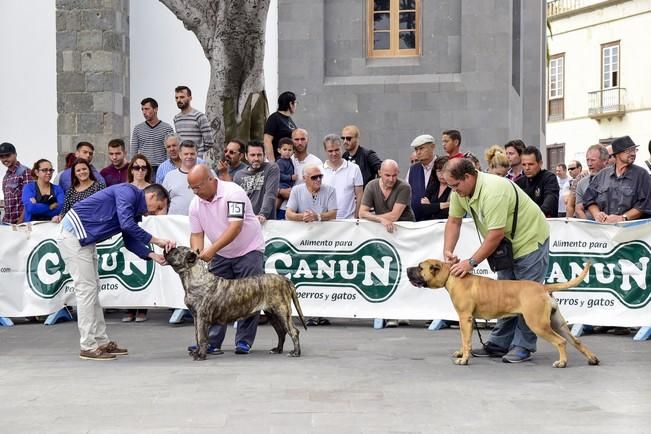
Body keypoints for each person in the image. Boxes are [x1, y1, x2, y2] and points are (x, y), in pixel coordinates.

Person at [443, 158, 550, 363]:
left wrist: (471, 262)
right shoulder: (460, 191)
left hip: (529, 240)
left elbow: (495, 235)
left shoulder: (493, 191)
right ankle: (499, 343)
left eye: (455, 185)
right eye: (450, 186)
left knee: (526, 297)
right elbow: (454, 221)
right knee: (503, 296)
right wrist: (448, 250)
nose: (454, 191)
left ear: (468, 176)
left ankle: (523, 346)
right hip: (506, 246)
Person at [55, 183, 174, 360]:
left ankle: (101, 342)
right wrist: (157, 241)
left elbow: (129, 240)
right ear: (150, 196)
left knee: (92, 289)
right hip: (74, 235)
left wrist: (152, 255)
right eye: (157, 208)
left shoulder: (133, 207)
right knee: (86, 290)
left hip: (83, 239)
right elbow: (126, 225)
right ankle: (87, 345)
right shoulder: (127, 192)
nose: (155, 213)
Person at [186, 164, 265, 355]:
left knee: (249, 296)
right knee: (213, 298)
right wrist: (197, 255)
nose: (196, 192)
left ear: (211, 180)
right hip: (222, 253)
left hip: (249, 249)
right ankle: (211, 342)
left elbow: (235, 227)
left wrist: (212, 249)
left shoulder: (233, 192)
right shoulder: (195, 204)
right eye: (192, 188)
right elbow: (196, 234)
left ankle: (244, 341)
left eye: (198, 187)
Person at [359, 159, 415, 328]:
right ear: (380, 174)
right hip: (382, 232)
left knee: (403, 271)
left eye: (394, 175)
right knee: (383, 271)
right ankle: (387, 310)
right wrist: (381, 220)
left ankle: (403, 312)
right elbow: (361, 212)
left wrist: (378, 218)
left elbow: (394, 216)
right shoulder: (371, 186)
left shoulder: (404, 187)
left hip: (403, 232)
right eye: (387, 175)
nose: (391, 179)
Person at [285, 164, 337, 328]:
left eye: (320, 176)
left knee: (323, 275)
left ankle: (322, 312)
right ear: (305, 178)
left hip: (325, 240)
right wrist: (303, 217)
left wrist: (318, 216)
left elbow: (333, 213)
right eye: (314, 177)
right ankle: (307, 312)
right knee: (305, 276)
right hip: (303, 242)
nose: (318, 179)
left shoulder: (329, 190)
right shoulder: (297, 190)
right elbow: (289, 213)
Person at [583, 136, 651, 224]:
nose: (633, 153)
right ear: (616, 154)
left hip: (631, 230)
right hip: (605, 229)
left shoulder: (642, 174)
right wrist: (597, 214)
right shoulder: (602, 175)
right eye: (628, 151)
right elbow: (588, 199)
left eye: (634, 150)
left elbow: (646, 204)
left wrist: (623, 218)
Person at [122, 154, 154, 323]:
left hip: (147, 231)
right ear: (131, 170)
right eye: (136, 167)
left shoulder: (153, 189)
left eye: (143, 167)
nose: (140, 171)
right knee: (128, 268)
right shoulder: (126, 189)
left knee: (144, 269)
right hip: (131, 231)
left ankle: (143, 308)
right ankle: (130, 308)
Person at [233, 141, 280, 224]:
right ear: (246, 156)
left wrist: (263, 214)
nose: (256, 158)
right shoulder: (238, 175)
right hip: (245, 222)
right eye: (252, 155)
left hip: (265, 222)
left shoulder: (271, 168)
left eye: (259, 155)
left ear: (264, 155)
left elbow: (270, 193)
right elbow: (236, 201)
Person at [321, 134, 363, 219]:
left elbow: (360, 195)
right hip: (326, 222)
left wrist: (356, 217)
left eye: (337, 150)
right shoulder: (319, 171)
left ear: (342, 148)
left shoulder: (354, 168)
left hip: (349, 222)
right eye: (330, 151)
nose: (334, 153)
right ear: (325, 151)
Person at [53, 159, 106, 223]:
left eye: (84, 169)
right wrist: (58, 217)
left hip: (94, 225)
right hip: (75, 225)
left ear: (89, 170)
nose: (82, 172)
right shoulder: (70, 191)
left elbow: (104, 208)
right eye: (78, 170)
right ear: (74, 174)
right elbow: (64, 211)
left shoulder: (99, 187)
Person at [131, 97, 174, 175]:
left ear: (155, 109)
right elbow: (134, 150)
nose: (144, 112)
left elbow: (170, 150)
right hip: (144, 168)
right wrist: (134, 168)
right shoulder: (138, 128)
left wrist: (168, 168)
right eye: (142, 109)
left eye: (147, 109)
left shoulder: (167, 128)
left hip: (161, 168)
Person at [516, 146, 560, 217]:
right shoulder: (518, 183)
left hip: (546, 223)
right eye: (524, 165)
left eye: (531, 164)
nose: (527, 168)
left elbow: (550, 201)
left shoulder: (549, 178)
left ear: (540, 163)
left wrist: (532, 216)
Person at [162, 140, 201, 215]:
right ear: (180, 155)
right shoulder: (170, 176)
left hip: (201, 222)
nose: (189, 156)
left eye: (192, 154)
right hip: (175, 223)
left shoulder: (207, 174)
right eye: (186, 154)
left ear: (197, 154)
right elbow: (162, 201)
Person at [173, 86, 214, 157]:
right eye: (177, 98)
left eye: (182, 97)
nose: (179, 100)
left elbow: (209, 142)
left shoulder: (199, 116)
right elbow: (180, 141)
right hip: (183, 161)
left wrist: (195, 153)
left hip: (196, 160)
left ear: (190, 98)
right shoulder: (176, 118)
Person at [407, 134, 437, 221]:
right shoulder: (413, 169)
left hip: (438, 221)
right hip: (417, 221)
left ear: (432, 147)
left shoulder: (443, 165)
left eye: (421, 148)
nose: (418, 152)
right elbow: (407, 192)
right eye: (416, 149)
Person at [0, 142, 31, 225]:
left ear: (15, 154)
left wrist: (20, 223)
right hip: (7, 223)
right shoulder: (6, 176)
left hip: (20, 224)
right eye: (1, 157)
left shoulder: (25, 172)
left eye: (7, 155)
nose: (4, 159)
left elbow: (31, 200)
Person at [263, 91, 297, 161]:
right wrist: (272, 163)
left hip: (289, 161)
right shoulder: (274, 118)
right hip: (278, 161)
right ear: (291, 104)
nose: (296, 105)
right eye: (295, 103)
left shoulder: (289, 119)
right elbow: (267, 140)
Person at [417, 156, 451, 220]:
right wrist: (442, 205)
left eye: (444, 171)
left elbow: (447, 212)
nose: (441, 174)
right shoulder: (433, 185)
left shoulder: (454, 187)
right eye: (438, 171)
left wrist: (431, 206)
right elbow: (423, 209)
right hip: (429, 225)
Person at [275, 138, 296, 218]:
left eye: (290, 150)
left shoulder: (289, 160)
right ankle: (271, 216)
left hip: (287, 186)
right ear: (279, 150)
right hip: (281, 186)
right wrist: (290, 177)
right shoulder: (280, 162)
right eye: (285, 149)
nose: (287, 152)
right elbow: (279, 175)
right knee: (277, 203)